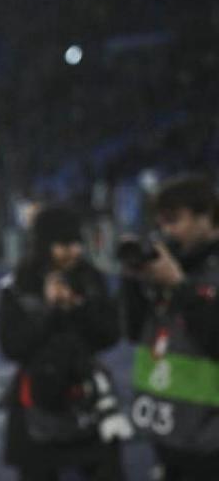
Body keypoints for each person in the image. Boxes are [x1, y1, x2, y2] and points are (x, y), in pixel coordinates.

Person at [0, 204, 129, 481]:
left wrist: (79, 308)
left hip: (89, 397)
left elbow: (110, 335)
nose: (74, 251)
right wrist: (49, 311)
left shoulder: (91, 279)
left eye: (77, 243)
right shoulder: (14, 288)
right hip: (36, 403)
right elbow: (12, 347)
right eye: (64, 244)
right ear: (44, 245)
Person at [121, 174, 219, 480]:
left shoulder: (186, 276)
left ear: (209, 218)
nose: (167, 232)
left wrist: (179, 288)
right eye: (161, 222)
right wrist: (133, 283)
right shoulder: (170, 266)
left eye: (175, 220)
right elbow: (133, 332)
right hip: (169, 433)